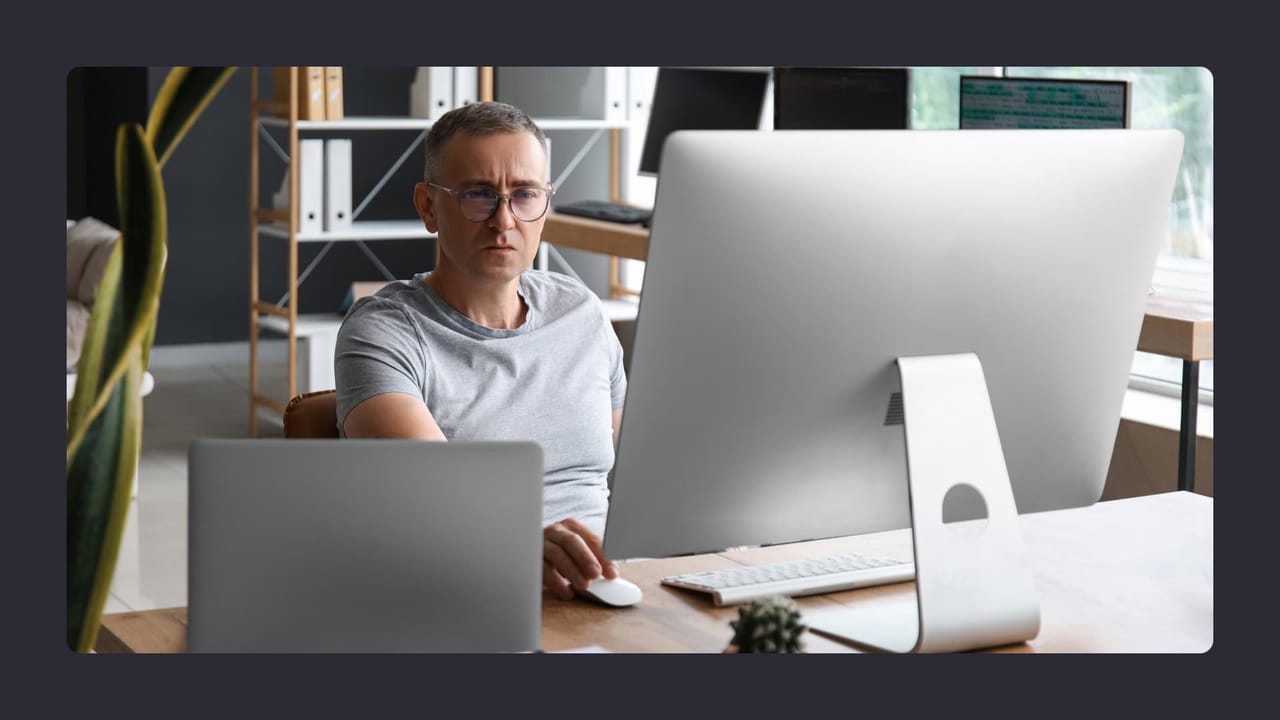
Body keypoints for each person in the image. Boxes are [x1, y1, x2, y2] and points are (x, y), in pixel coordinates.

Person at [334, 101, 627, 602]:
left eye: (525, 195)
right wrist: (523, 544)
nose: (503, 221)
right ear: (428, 206)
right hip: (467, 591)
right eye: (478, 196)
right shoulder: (382, 333)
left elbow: (632, 469)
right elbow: (436, 495)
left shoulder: (582, 313)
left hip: (610, 584)